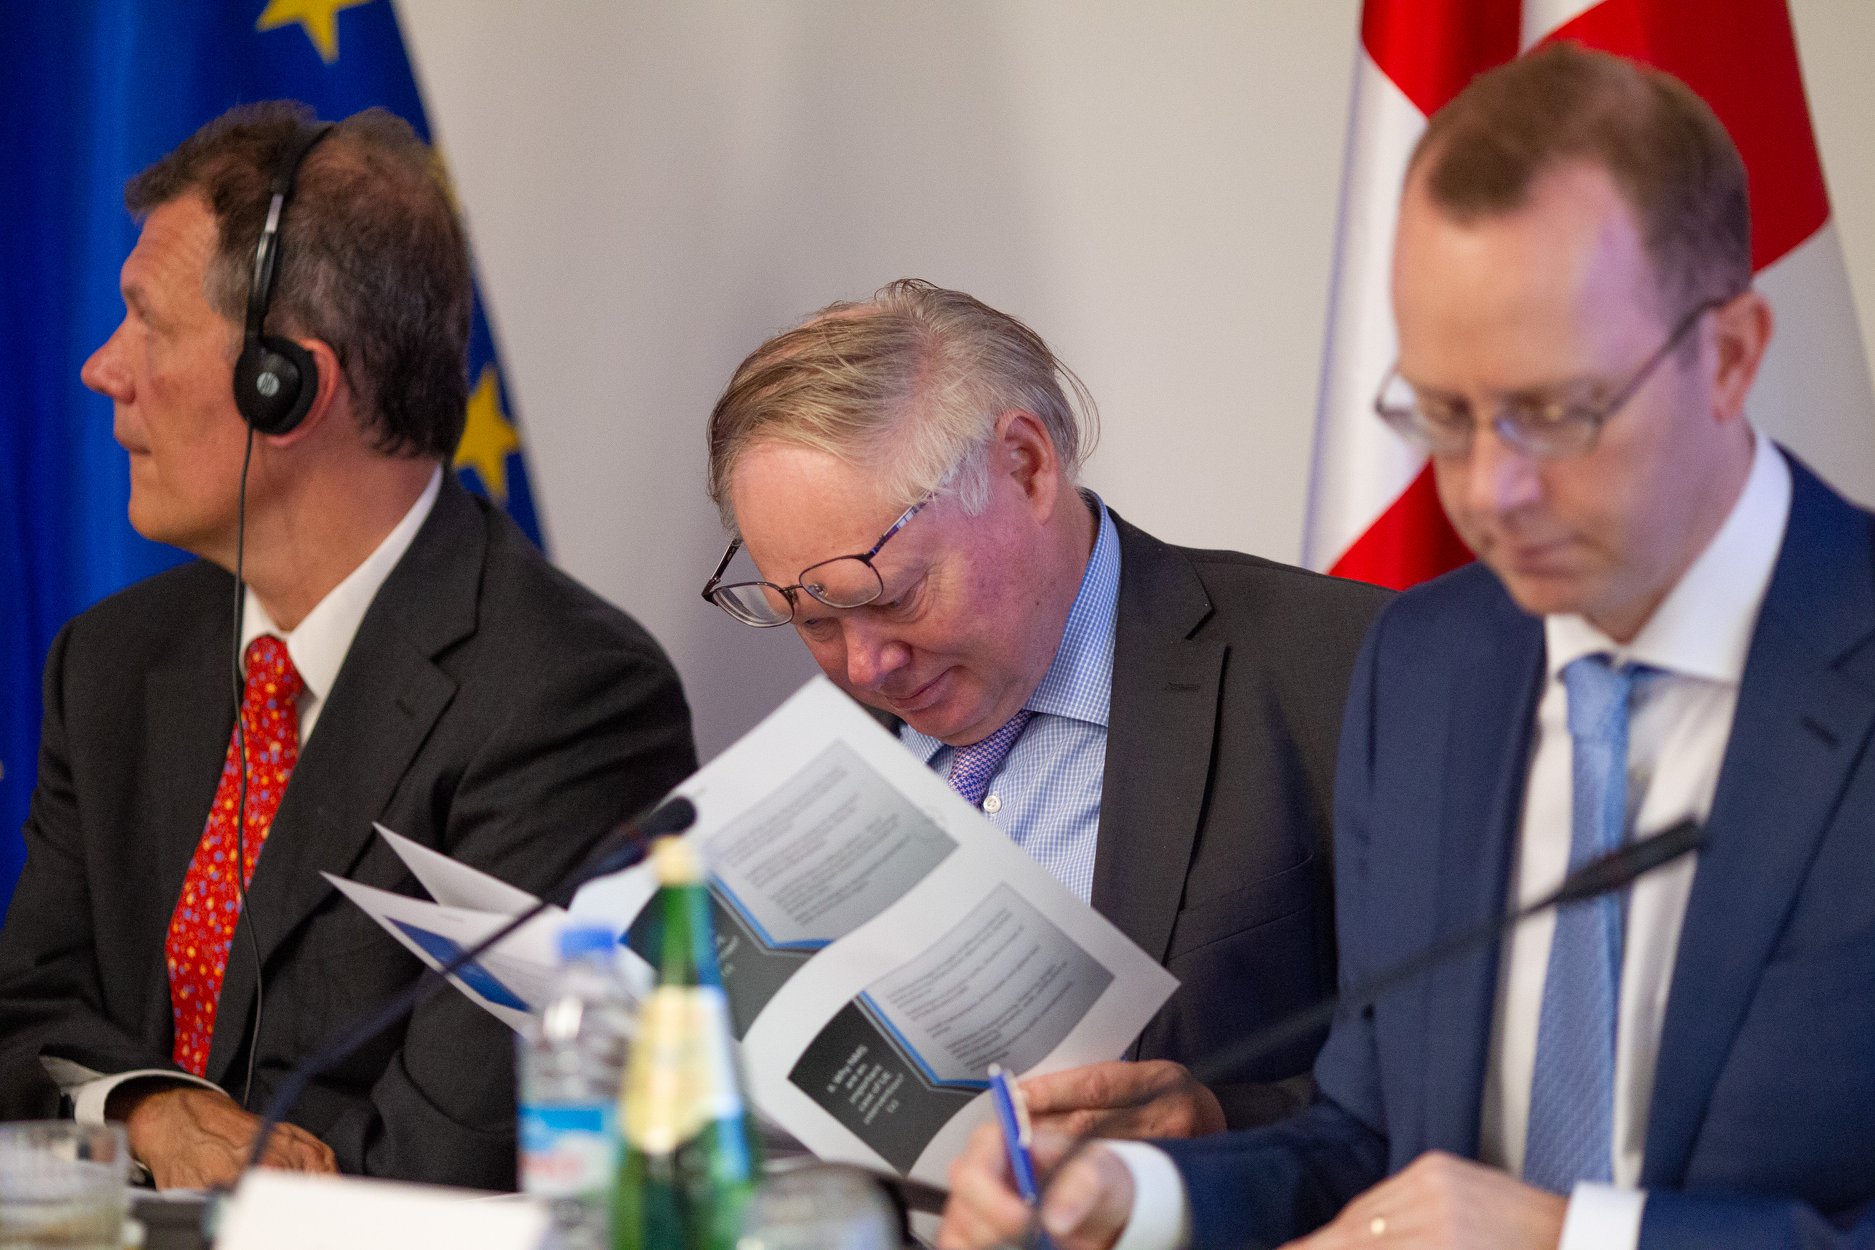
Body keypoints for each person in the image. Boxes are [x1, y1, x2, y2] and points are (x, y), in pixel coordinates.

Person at [940, 42, 1875, 1250]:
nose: (1488, 491)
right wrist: (1132, 1195)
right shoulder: (1428, 663)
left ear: (1732, 356)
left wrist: (1566, 1236)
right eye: (1442, 414)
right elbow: (1369, 1139)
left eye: (1554, 412)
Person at [0, 103, 696, 1191]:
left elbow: (448, 1167)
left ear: (283, 383)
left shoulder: (569, 700)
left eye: (147, 324)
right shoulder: (110, 662)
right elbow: (23, 1025)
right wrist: (145, 1111)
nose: (103, 368)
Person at [701, 280, 1390, 1139]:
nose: (867, 665)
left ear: (1024, 467)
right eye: (810, 620)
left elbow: (1455, 1086)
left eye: (893, 597)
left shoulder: (1348, 668)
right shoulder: (807, 775)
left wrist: (1219, 1122)